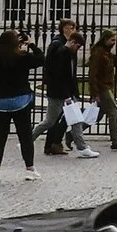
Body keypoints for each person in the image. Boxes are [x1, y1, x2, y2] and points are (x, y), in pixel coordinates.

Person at [0, 28, 42, 181]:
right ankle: (30, 169)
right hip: (19, 100)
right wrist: (31, 44)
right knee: (25, 136)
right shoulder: (23, 57)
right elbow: (41, 59)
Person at [41, 20, 84, 157]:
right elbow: (52, 66)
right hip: (59, 88)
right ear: (64, 29)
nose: (74, 30)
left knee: (63, 116)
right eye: (72, 27)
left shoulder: (69, 44)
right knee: (54, 118)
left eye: (75, 28)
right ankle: (51, 144)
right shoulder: (58, 44)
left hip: (67, 87)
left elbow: (70, 70)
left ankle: (55, 143)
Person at [86, 30, 117, 151]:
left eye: (115, 40)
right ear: (105, 39)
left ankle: (71, 134)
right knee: (113, 112)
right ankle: (115, 141)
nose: (114, 43)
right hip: (102, 88)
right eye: (112, 40)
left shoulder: (106, 53)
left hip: (105, 86)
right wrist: (95, 92)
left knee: (97, 116)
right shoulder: (98, 53)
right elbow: (92, 74)